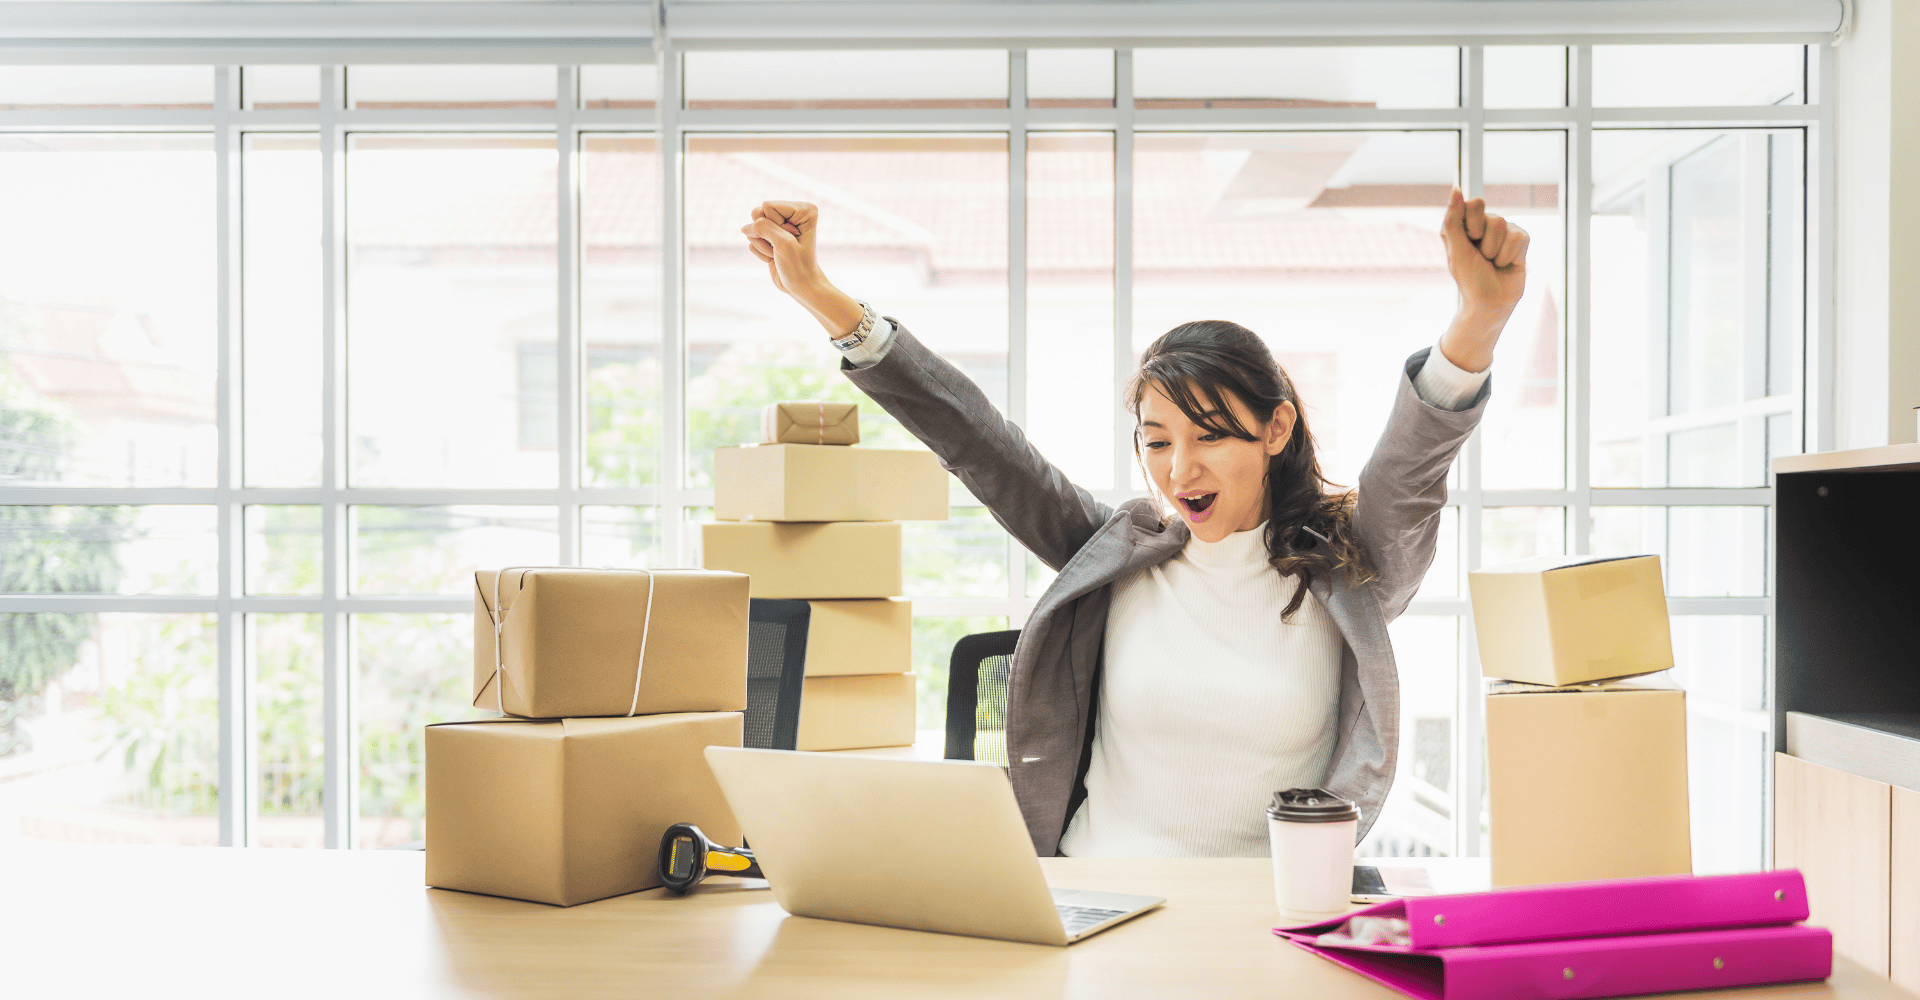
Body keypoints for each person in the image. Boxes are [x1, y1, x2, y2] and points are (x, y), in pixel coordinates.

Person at [740, 191, 1528, 858]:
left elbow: (1409, 473)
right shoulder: (1115, 550)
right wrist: (821, 296)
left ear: (1276, 429)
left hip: (1262, 920)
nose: (1179, 471)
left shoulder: (1347, 575)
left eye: (1210, 436)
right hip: (1094, 900)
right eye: (1157, 442)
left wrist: (1478, 322)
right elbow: (977, 440)